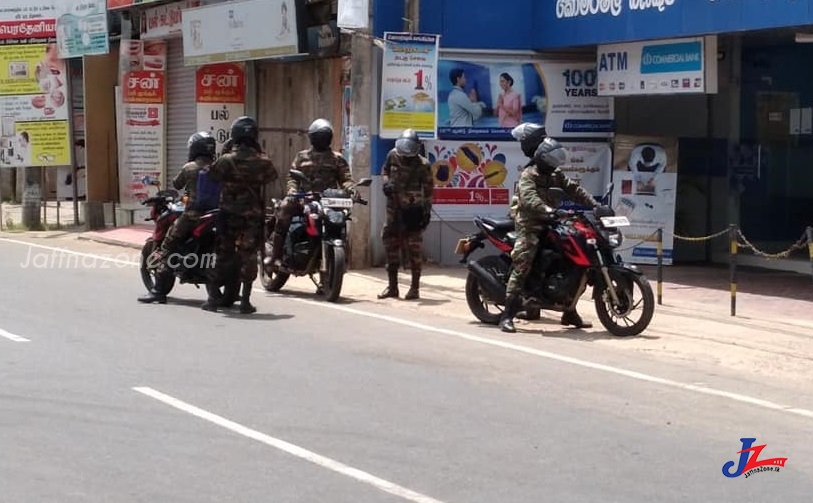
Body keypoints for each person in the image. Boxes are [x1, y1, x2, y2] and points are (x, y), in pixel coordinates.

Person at [499, 123, 600, 334]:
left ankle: (569, 312)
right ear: (543, 158)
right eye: (551, 161)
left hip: (551, 221)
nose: (554, 165)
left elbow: (574, 189)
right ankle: (507, 316)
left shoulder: (555, 174)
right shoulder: (530, 173)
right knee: (523, 264)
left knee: (574, 260)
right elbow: (528, 197)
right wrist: (545, 208)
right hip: (530, 224)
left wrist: (595, 205)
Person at [202, 116, 278, 314]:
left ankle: (212, 300)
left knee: (223, 253)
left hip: (228, 213)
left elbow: (211, 175)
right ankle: (245, 300)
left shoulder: (227, 160)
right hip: (252, 216)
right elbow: (271, 177)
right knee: (249, 255)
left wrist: (225, 152)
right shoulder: (263, 161)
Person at [268, 118, 354, 289]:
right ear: (313, 138)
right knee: (285, 208)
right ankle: (276, 256)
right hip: (302, 198)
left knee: (339, 224)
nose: (323, 139)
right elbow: (292, 177)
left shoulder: (337, 158)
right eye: (320, 136)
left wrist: (352, 190)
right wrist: (293, 191)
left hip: (328, 201)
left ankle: (328, 272)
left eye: (325, 136)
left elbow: (346, 180)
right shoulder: (302, 156)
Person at [138, 131, 218, 304]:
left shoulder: (190, 167)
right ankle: (218, 293)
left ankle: (158, 292)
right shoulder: (218, 167)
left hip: (192, 216)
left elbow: (176, 184)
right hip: (217, 213)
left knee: (168, 245)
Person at [377, 129, 434, 300]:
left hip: (413, 211)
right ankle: (392, 287)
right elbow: (385, 171)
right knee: (389, 244)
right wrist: (386, 183)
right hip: (393, 209)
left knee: (414, 248)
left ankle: (415, 288)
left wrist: (426, 211)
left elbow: (429, 189)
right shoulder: (392, 155)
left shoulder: (423, 164)